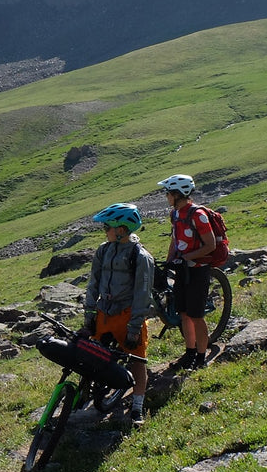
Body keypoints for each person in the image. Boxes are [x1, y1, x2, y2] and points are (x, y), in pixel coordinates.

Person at [82, 203, 154, 424]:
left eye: (107, 227)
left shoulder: (141, 257)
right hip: (104, 313)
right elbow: (94, 282)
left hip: (128, 315)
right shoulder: (103, 250)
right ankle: (85, 392)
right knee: (92, 353)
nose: (104, 230)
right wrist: (90, 312)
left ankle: (137, 406)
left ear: (121, 230)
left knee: (137, 360)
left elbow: (143, 294)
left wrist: (134, 327)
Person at [158, 174, 217, 370]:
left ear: (178, 194)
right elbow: (175, 240)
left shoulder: (198, 215)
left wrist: (188, 257)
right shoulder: (175, 214)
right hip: (182, 268)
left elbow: (210, 245)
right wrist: (169, 262)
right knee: (183, 314)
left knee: (196, 315)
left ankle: (201, 357)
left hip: (198, 270)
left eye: (168, 193)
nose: (166, 197)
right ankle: (189, 353)